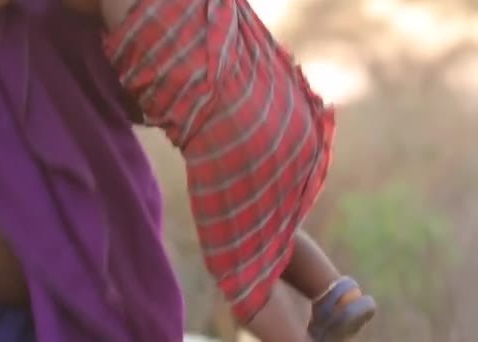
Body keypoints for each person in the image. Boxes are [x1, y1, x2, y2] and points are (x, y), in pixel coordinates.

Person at [0, 1, 373, 342]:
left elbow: (143, 87)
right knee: (252, 273)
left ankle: (328, 298)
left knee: (256, 255)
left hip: (98, 287)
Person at [99, 0, 376, 340]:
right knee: (262, 231)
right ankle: (337, 292)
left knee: (244, 288)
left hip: (230, 141)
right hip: (281, 102)